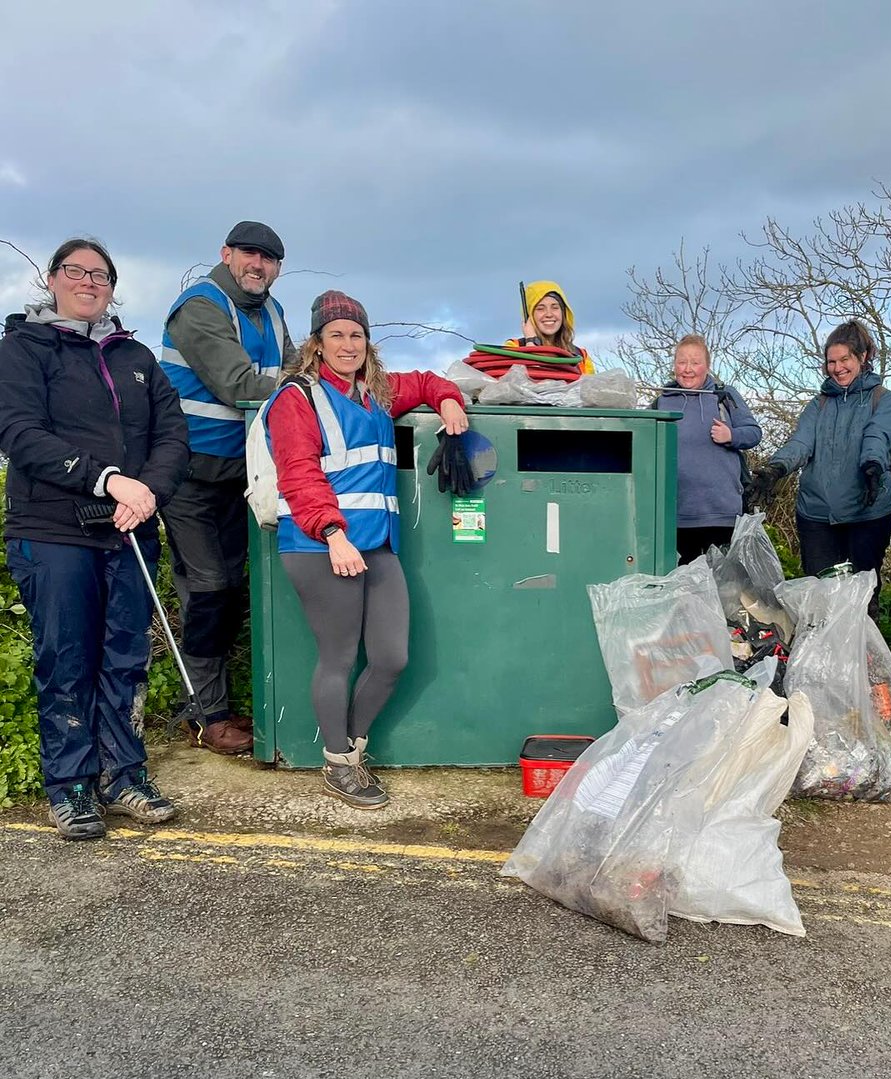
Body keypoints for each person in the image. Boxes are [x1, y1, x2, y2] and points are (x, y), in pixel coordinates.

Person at [0, 238, 190, 840]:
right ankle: (71, 786)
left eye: (100, 275)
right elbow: (18, 433)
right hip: (52, 529)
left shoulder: (135, 356)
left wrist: (148, 491)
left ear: (112, 287)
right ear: (52, 279)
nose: (88, 282)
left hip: (129, 528)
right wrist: (106, 479)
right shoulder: (22, 348)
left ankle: (124, 776)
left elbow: (172, 435)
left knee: (126, 659)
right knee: (67, 659)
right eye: (76, 271)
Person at [262, 291, 469, 808]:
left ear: (367, 343)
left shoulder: (375, 392)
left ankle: (351, 748)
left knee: (392, 658)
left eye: (356, 335)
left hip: (376, 546)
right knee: (338, 658)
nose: (348, 344)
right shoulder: (296, 398)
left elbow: (425, 381)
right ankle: (338, 764)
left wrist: (448, 399)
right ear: (316, 343)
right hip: (320, 546)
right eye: (336, 335)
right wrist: (333, 535)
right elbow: (298, 474)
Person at [159, 221, 295, 755]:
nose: (257, 264)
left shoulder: (273, 311)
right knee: (209, 590)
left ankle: (215, 705)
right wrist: (315, 387)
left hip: (241, 475)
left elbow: (293, 367)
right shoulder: (200, 305)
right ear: (226, 254)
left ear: (278, 267)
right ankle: (204, 716)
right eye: (248, 254)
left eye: (268, 258)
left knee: (234, 590)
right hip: (188, 473)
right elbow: (238, 384)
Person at [746, 320, 891, 618]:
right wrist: (775, 468)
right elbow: (801, 442)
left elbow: (878, 435)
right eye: (832, 362)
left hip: (867, 513)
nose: (838, 368)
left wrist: (872, 465)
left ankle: (865, 647)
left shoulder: (883, 400)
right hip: (816, 515)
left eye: (845, 360)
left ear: (863, 357)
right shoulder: (818, 405)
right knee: (820, 601)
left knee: (862, 602)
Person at [651, 334, 761, 563]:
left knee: (726, 583)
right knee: (684, 583)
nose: (687, 369)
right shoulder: (661, 402)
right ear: (674, 366)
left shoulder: (724, 396)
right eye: (682, 362)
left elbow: (754, 433)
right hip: (676, 517)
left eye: (695, 362)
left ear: (707, 367)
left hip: (723, 515)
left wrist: (731, 435)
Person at [505, 280, 595, 374]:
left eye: (555, 307)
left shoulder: (581, 357)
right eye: (540, 309)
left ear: (563, 313)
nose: (549, 314)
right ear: (529, 316)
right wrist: (531, 342)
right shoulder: (514, 348)